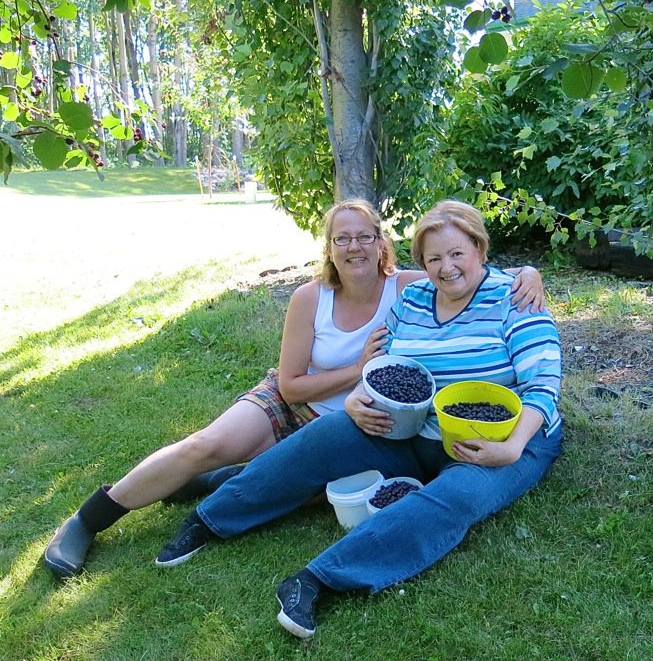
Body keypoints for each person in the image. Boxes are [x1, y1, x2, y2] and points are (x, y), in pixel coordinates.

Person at [43, 198, 545, 579]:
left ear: (380, 244)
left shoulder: (409, 285)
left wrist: (528, 273)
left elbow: (465, 268)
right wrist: (358, 375)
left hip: (354, 420)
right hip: (292, 404)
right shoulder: (312, 298)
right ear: (329, 248)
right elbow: (291, 384)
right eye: (341, 239)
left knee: (323, 490)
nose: (354, 247)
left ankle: (222, 483)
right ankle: (89, 520)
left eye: (364, 237)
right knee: (205, 446)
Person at [155, 200, 562, 640]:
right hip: (418, 427)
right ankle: (211, 517)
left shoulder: (514, 298)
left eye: (457, 253)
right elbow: (387, 363)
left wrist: (512, 447)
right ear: (421, 264)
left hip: (504, 436)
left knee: (456, 496)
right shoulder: (415, 298)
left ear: (479, 250)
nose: (446, 268)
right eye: (433, 258)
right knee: (326, 434)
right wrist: (358, 399)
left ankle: (317, 580)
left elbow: (543, 383)